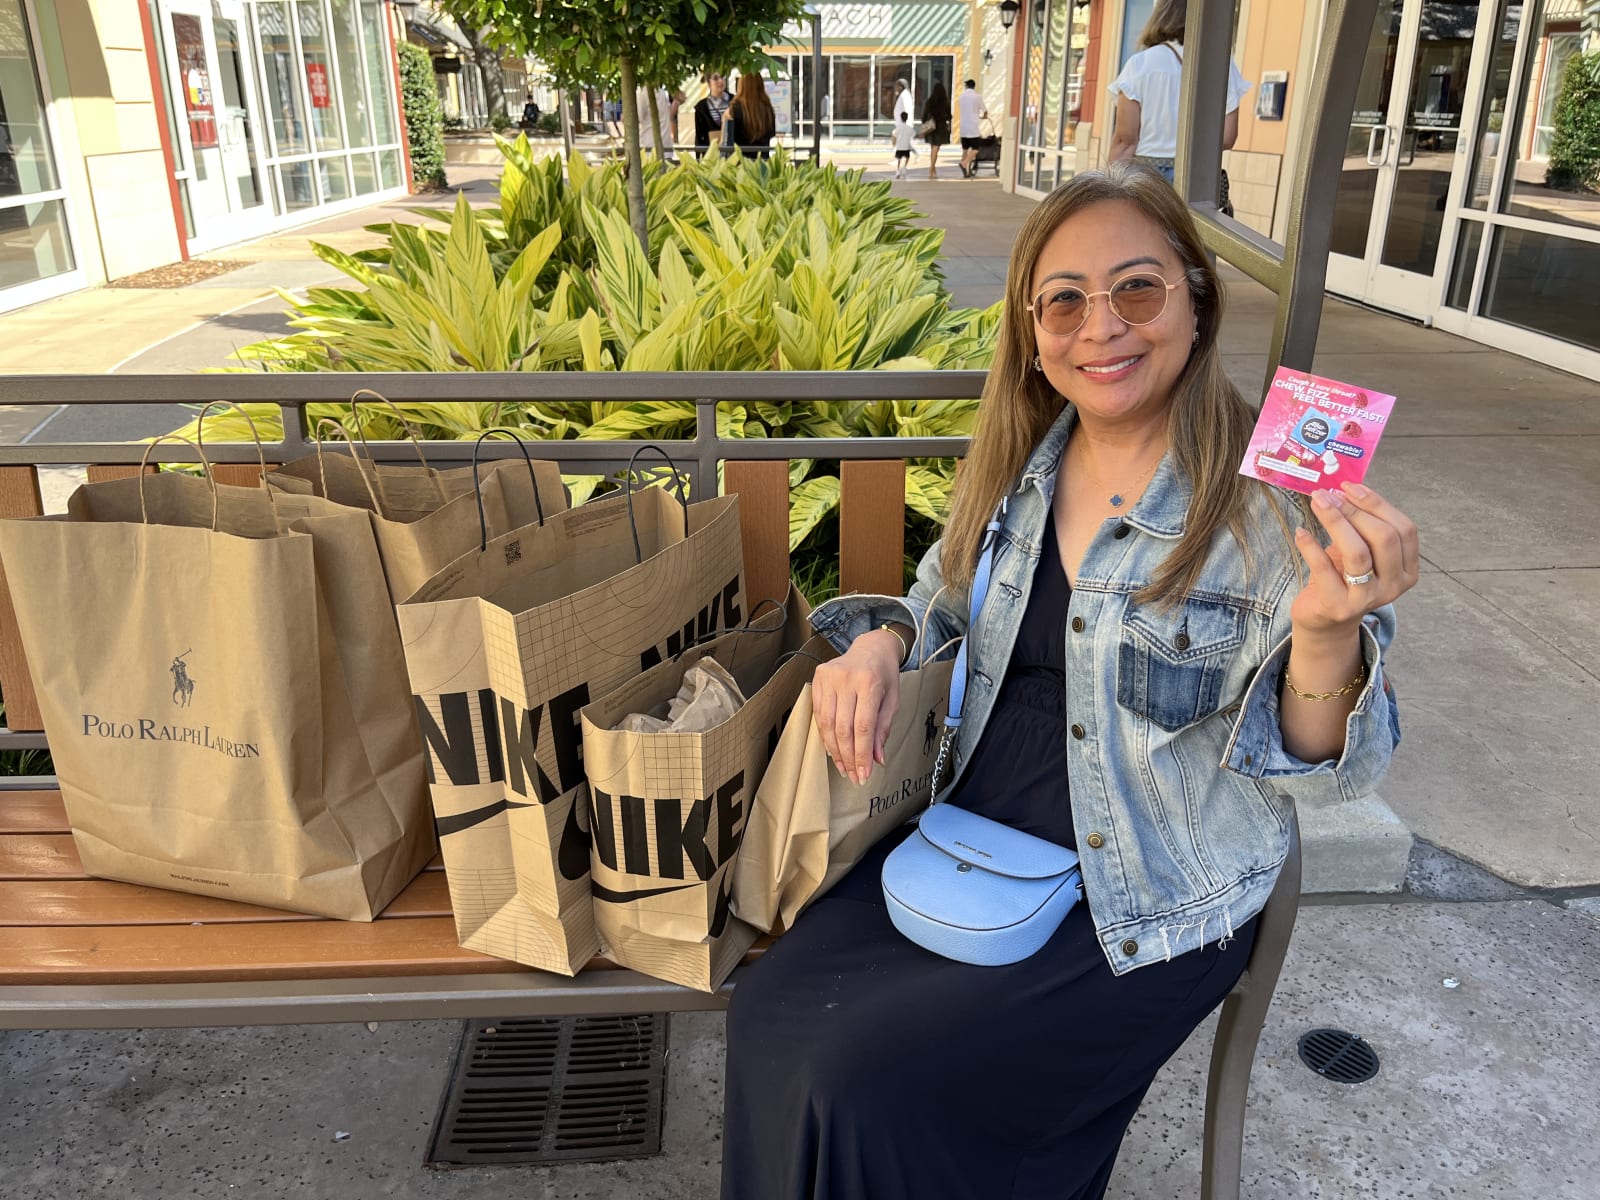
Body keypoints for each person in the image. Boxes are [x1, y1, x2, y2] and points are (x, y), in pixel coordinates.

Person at [720, 161, 1416, 1199]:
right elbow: (939, 607)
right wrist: (877, 642)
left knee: (870, 1082)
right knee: (776, 1018)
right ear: (1033, 333)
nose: (1102, 327)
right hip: (963, 832)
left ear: (1193, 299)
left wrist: (1322, 631)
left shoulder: (1273, 508)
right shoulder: (1015, 464)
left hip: (1145, 880)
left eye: (1136, 288)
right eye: (1064, 301)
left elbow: (1326, 776)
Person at [1107, 0, 1251, 185]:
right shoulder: (1222, 63)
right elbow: (1227, 137)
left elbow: (1124, 141)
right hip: (1197, 176)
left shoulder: (1141, 65)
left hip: (1147, 177)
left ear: (1162, 15)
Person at [721, 73, 775, 160]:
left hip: (740, 164)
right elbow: (772, 133)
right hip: (763, 163)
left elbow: (726, 142)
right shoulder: (767, 108)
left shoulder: (733, 110)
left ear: (741, 86)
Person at [694, 72, 731, 158]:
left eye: (722, 77)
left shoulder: (734, 102)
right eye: (715, 78)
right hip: (710, 156)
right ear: (708, 82)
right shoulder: (701, 107)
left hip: (732, 155)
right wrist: (699, 158)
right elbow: (699, 136)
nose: (720, 81)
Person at [957, 77, 988, 178]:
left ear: (966, 86)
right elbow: (985, 110)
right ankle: (964, 163)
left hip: (963, 128)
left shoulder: (961, 97)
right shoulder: (977, 97)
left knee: (965, 150)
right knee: (975, 149)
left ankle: (966, 172)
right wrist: (984, 116)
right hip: (973, 128)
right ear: (974, 86)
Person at [921, 81, 951, 179]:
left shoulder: (929, 101)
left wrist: (925, 125)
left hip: (931, 128)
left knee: (933, 149)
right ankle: (931, 168)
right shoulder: (945, 102)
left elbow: (924, 116)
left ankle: (933, 169)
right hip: (940, 128)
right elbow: (949, 116)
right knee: (936, 149)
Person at [892, 110, 915, 180]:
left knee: (899, 159)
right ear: (907, 118)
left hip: (899, 146)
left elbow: (894, 136)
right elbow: (913, 134)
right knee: (907, 157)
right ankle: (904, 167)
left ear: (901, 118)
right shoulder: (909, 128)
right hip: (906, 146)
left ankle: (898, 170)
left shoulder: (897, 128)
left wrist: (894, 145)